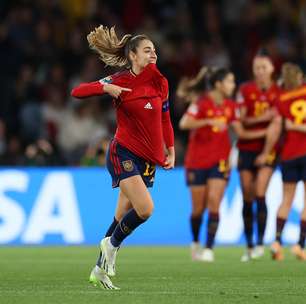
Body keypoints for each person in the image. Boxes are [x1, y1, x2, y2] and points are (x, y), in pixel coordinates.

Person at [71, 25, 175, 289]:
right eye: (147, 50)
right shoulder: (119, 80)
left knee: (120, 217)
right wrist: (106, 89)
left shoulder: (160, 82)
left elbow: (165, 117)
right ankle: (111, 244)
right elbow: (78, 91)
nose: (154, 54)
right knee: (146, 209)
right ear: (132, 55)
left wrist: (170, 149)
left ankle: (99, 269)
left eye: (155, 50)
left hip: (149, 159)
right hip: (123, 152)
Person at [179, 67, 267, 262]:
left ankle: (209, 248)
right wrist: (208, 121)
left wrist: (267, 134)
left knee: (214, 202)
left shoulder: (231, 106)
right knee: (197, 209)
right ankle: (195, 243)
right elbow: (184, 123)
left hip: (220, 161)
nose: (233, 85)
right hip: (196, 162)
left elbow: (241, 133)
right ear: (219, 84)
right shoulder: (201, 103)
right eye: (230, 81)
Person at [256, 63, 306, 261]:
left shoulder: (281, 100)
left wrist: (266, 152)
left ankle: (277, 242)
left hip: (289, 155)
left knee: (286, 199)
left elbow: (275, 129)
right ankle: (300, 245)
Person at [236, 50, 281, 262]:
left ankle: (261, 243)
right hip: (246, 147)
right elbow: (242, 120)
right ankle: (249, 244)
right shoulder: (245, 90)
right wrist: (265, 119)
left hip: (269, 149)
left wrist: (265, 151)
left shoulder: (280, 92)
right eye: (257, 68)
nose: (260, 72)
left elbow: (279, 122)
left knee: (260, 191)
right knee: (247, 194)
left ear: (272, 69)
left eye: (264, 68)